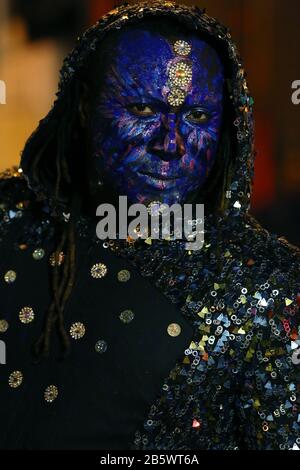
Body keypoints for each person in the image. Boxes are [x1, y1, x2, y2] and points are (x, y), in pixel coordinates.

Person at [0, 1, 299, 450]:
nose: (170, 143)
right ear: (83, 105)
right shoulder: (14, 220)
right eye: (142, 109)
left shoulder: (265, 288)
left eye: (197, 117)